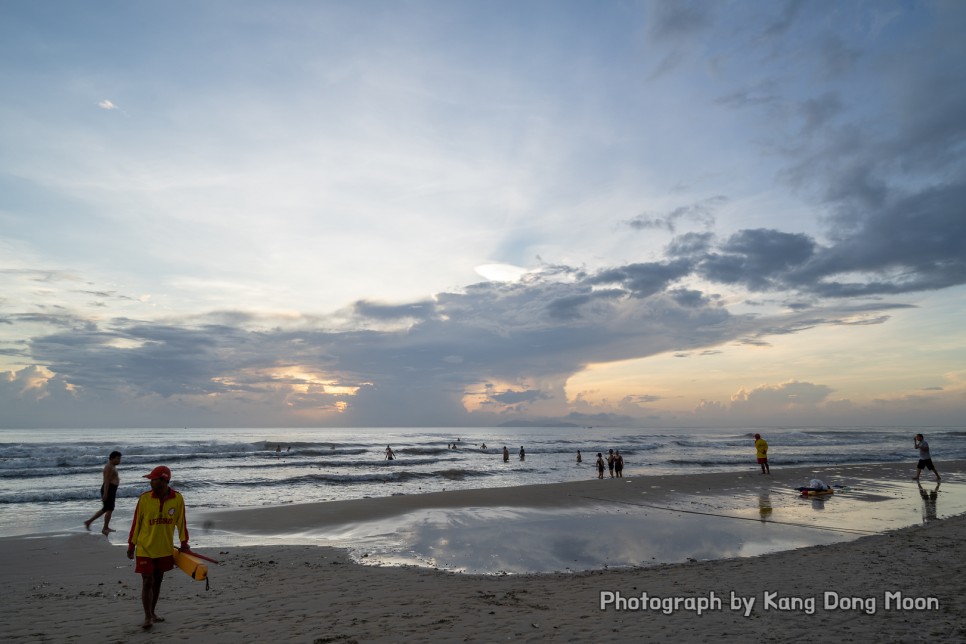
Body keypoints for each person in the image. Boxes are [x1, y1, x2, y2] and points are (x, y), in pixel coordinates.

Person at [127, 466, 189, 630]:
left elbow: (181, 522)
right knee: (148, 581)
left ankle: (152, 612)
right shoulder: (144, 499)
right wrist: (131, 545)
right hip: (145, 548)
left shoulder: (177, 499)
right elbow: (136, 524)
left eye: (153, 479)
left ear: (163, 480)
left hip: (164, 549)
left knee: (158, 581)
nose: (150, 482)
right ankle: (147, 617)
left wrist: (184, 543)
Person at [85, 450, 122, 535]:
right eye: (118, 458)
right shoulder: (109, 467)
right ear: (112, 458)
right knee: (109, 509)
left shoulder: (112, 466)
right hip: (109, 489)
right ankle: (105, 528)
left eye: (120, 458)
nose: (119, 460)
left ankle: (89, 522)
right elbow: (106, 481)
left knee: (105, 509)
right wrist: (105, 493)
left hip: (111, 489)